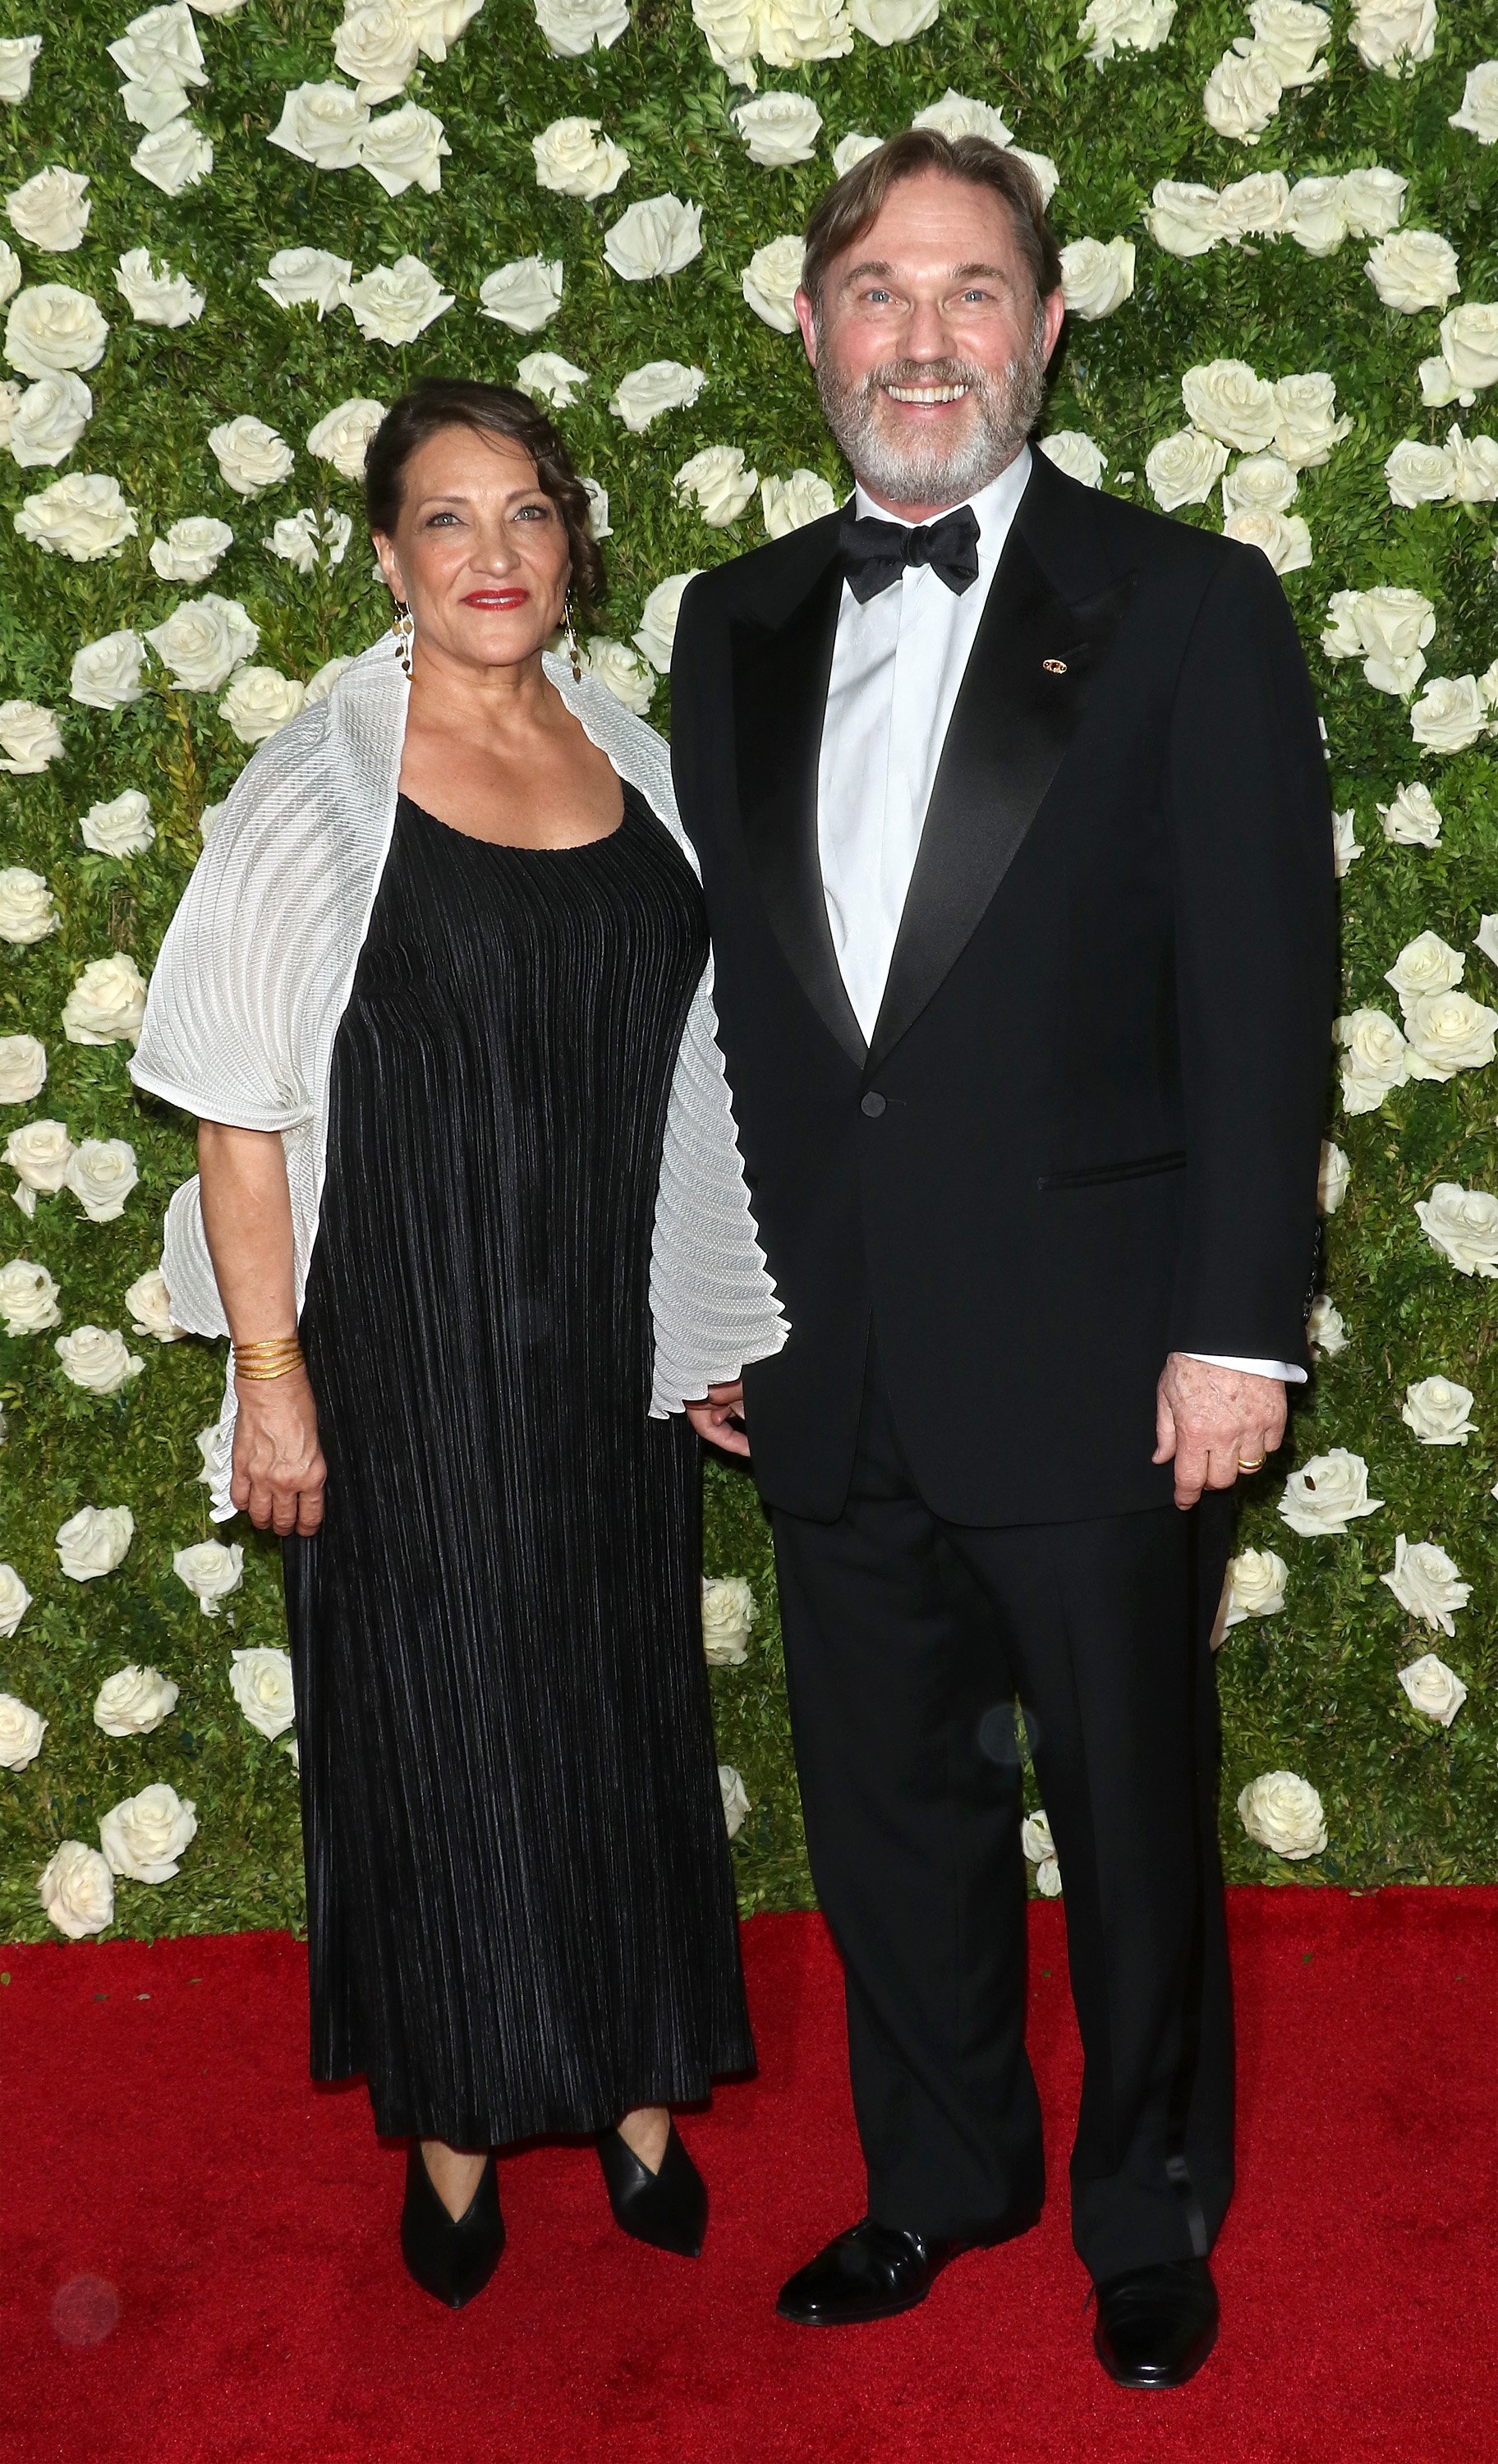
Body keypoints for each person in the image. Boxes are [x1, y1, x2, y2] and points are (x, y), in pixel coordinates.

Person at [670, 133, 1334, 2386]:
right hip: (826, 1351)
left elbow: (1261, 998)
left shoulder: (1190, 602)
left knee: (1130, 1817)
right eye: (879, 291)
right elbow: (722, 1018)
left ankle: (1144, 2210)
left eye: (974, 293)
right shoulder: (730, 622)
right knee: (889, 1823)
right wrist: (717, 1300)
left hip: (1099, 1354)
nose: (923, 337)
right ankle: (939, 2178)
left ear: (1046, 332)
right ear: (810, 328)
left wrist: (1237, 1328)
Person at [131, 379, 787, 2310]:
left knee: (617, 1705)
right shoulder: (321, 778)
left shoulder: (644, 760)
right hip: (402, 1350)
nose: (492, 554)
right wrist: (272, 1378)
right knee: (437, 1736)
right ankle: (458, 2130)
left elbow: (707, 1076)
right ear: (387, 556)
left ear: (572, 541)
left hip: (602, 1347)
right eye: (446, 519)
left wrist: (720, 1314)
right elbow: (231, 1103)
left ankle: (642, 2091)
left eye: (524, 514)